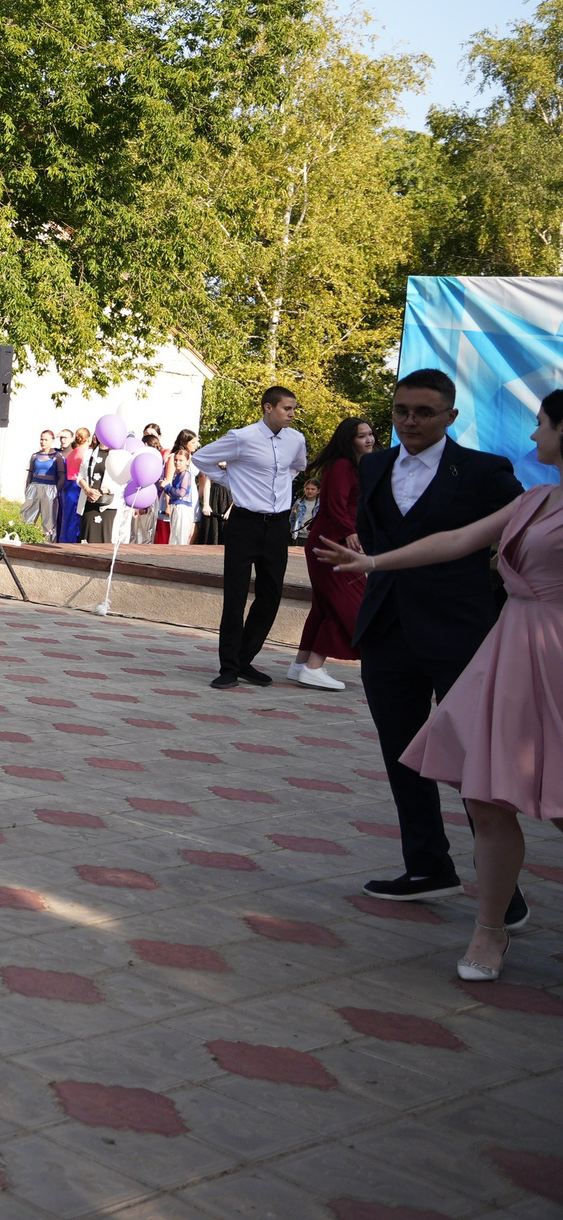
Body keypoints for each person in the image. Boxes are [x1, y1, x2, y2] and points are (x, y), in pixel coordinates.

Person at [316, 387, 560, 980]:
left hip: (521, 647)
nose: (533, 435)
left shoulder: (488, 472)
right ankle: (473, 912)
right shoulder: (534, 499)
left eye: (541, 424)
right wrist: (373, 563)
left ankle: (499, 907)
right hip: (493, 649)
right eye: (401, 411)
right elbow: (453, 540)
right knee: (481, 788)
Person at [193, 386, 311, 688]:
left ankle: (244, 659)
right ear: (268, 407)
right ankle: (229, 667)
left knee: (271, 595)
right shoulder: (242, 437)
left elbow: (297, 468)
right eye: (287, 408)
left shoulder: (296, 440)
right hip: (245, 523)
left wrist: (280, 487)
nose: (292, 414)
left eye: (294, 408)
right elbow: (202, 458)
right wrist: (230, 479)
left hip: (278, 525)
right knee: (235, 596)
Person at [291, 416, 374, 692]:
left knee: (324, 606)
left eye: (370, 434)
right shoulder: (342, 465)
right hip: (333, 544)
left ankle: (301, 665)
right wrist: (349, 532)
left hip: (334, 540)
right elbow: (335, 504)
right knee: (350, 605)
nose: (369, 439)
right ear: (349, 440)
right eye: (362, 436)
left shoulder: (358, 465)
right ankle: (313, 668)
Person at [24, 430, 63, 540]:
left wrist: (56, 491)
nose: (43, 442)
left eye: (46, 440)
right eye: (42, 439)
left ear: (52, 441)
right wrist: (27, 489)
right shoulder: (35, 456)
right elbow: (30, 473)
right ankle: (27, 540)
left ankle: (48, 542)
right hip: (34, 487)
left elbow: (62, 476)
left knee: (48, 520)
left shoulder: (57, 456)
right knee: (28, 517)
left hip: (49, 489)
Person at [162, 445, 202, 546]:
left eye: (181, 460)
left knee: (180, 537)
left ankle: (180, 555)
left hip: (182, 508)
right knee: (175, 536)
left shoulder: (185, 474)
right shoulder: (179, 474)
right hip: (177, 506)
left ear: (187, 461)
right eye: (176, 460)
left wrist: (167, 487)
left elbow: (181, 493)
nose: (177, 463)